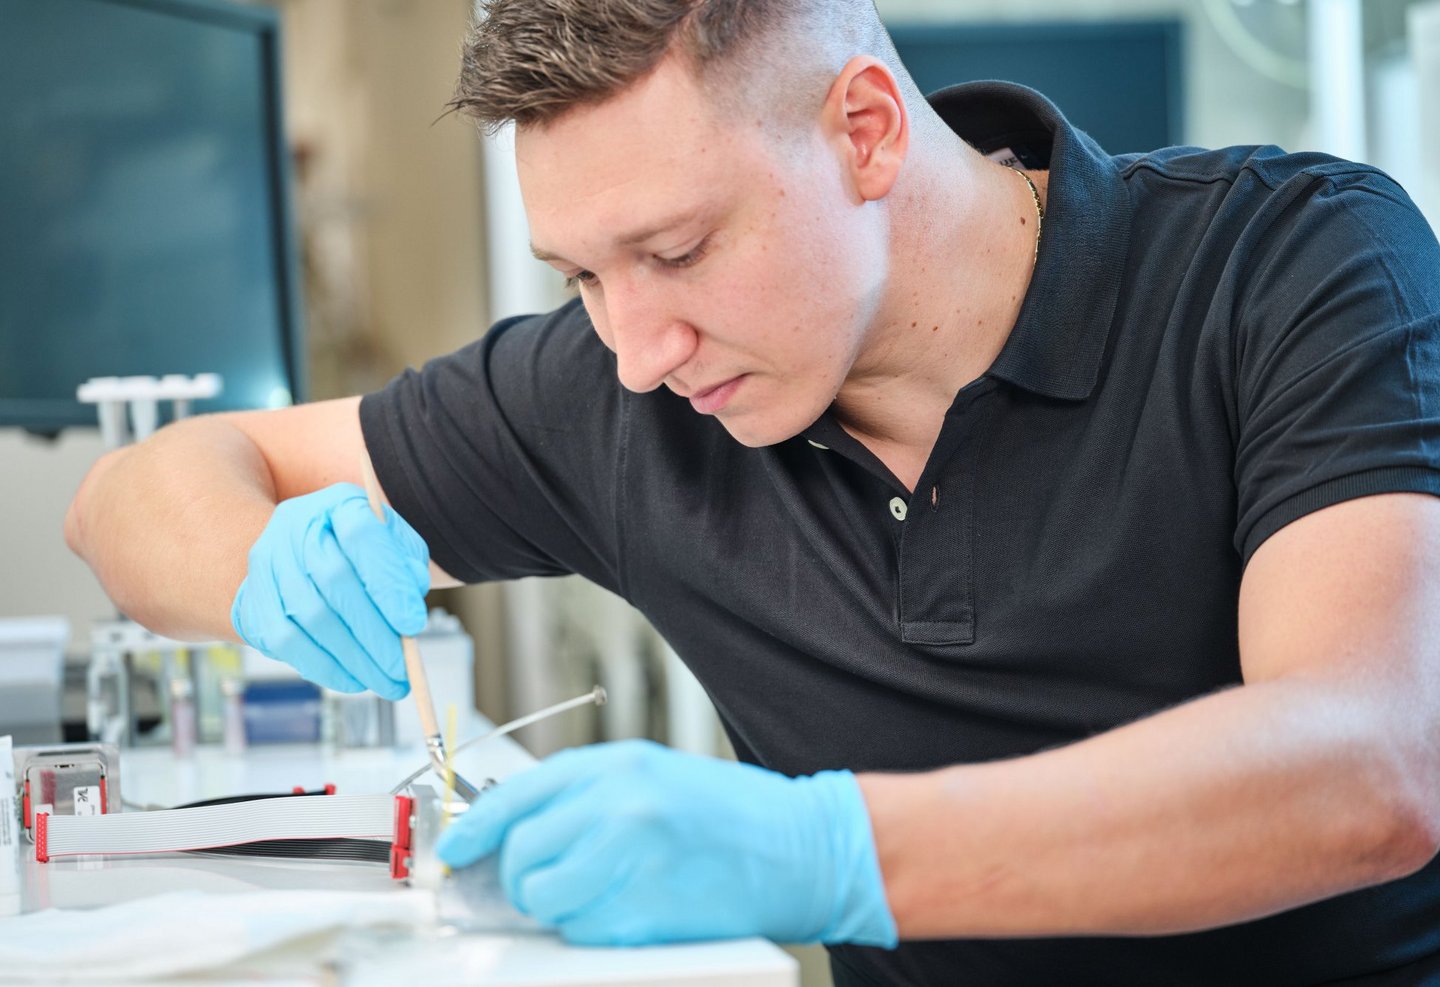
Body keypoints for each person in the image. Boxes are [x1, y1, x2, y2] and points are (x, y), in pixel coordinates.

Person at [65, 0, 1440, 983]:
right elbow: (134, 492)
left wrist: (822, 851)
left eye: (676, 249)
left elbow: (1372, 766)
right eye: (582, 278)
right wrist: (257, 563)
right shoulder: (620, 392)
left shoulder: (1289, 262)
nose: (636, 349)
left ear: (864, 130)